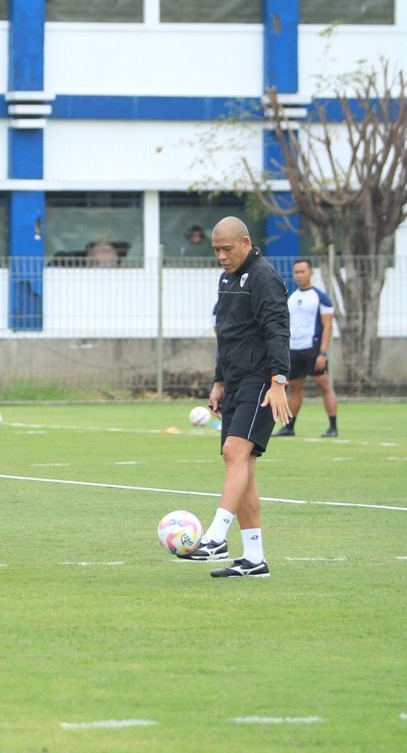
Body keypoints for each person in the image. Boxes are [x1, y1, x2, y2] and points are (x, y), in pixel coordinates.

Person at [181, 216, 290, 578]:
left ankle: (215, 537)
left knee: (234, 452)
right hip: (237, 381)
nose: (221, 256)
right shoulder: (227, 278)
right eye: (216, 250)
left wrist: (278, 381)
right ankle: (254, 559)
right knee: (244, 470)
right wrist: (219, 380)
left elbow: (277, 330)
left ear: (245, 243)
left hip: (261, 381)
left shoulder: (264, 277)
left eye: (227, 249)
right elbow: (227, 333)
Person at [274, 258, 339, 438]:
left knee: (324, 385)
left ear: (311, 273)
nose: (299, 275)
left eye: (302, 272)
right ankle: (289, 427)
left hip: (313, 349)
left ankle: (333, 426)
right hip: (294, 350)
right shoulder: (292, 298)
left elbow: (328, 326)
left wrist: (322, 352)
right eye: (296, 272)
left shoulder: (321, 298)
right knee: (294, 387)